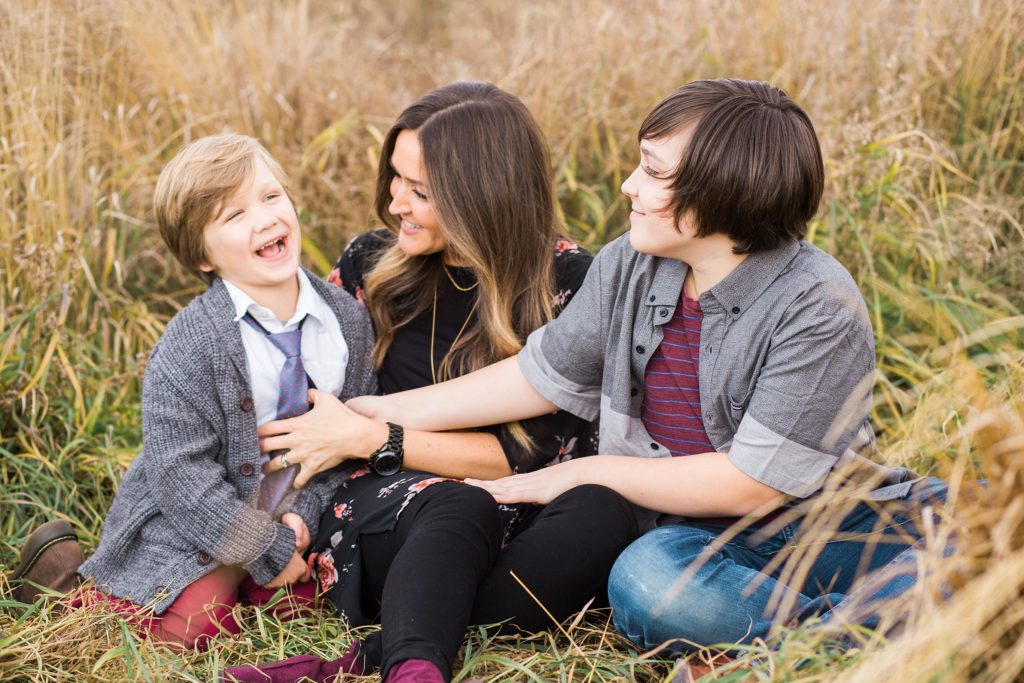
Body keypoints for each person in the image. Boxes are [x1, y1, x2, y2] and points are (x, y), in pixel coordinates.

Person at [344, 79, 946, 655]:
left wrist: (585, 474)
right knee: (645, 582)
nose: (629, 185)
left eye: (654, 171)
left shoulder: (816, 304)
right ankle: (888, 620)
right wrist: (373, 414)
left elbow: (754, 483)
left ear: (723, 190)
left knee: (976, 527)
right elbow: (538, 374)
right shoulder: (629, 263)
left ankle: (852, 627)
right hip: (692, 537)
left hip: (825, 522)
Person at [231, 82, 640, 683]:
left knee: (606, 512)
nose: (396, 202)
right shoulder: (371, 266)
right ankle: (415, 664)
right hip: (391, 509)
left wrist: (371, 435)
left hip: (515, 507)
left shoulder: (570, 285)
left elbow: (528, 459)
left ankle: (369, 656)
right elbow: (302, 400)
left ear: (484, 197)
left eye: (421, 191)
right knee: (455, 504)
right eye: (395, 178)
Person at [11, 133, 376, 655]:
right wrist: (262, 547)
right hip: (191, 521)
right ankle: (60, 579)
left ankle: (253, 578)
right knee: (201, 628)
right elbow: (180, 477)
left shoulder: (347, 320)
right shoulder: (191, 345)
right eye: (234, 215)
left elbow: (346, 442)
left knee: (300, 606)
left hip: (287, 521)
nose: (266, 219)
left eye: (272, 197)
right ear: (203, 257)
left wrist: (306, 512)